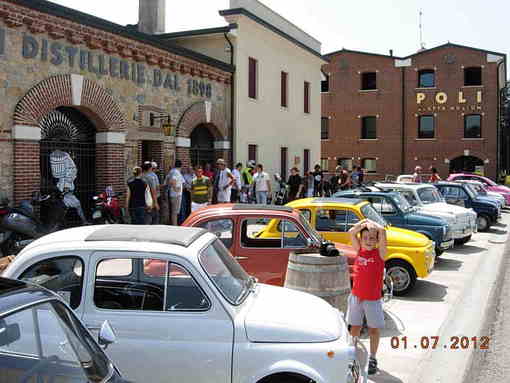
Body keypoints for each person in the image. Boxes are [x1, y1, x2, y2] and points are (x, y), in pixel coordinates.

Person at [348, 218, 387, 376]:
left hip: (373, 299)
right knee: (354, 328)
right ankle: (351, 353)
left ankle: (372, 358)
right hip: (357, 297)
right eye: (365, 238)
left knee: (373, 330)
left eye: (372, 238)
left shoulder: (380, 254)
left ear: (377, 240)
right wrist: (363, 223)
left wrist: (375, 226)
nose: (368, 241)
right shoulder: (359, 250)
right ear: (361, 239)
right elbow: (351, 232)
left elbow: (383, 231)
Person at [165, 160, 184, 226]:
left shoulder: (172, 171)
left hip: (174, 194)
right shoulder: (176, 172)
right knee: (174, 212)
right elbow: (171, 181)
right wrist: (175, 189)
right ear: (181, 165)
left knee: (174, 212)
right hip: (176, 195)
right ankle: (175, 226)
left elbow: (168, 180)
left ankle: (174, 225)